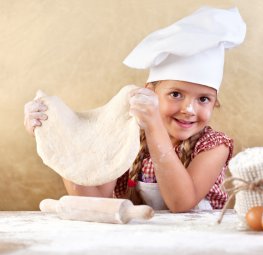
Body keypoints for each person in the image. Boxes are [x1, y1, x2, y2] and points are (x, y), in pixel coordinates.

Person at [24, 6, 246, 212]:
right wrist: (58, 135)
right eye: (176, 94)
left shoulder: (214, 146)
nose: (189, 109)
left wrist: (154, 127)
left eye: (204, 99)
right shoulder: (126, 136)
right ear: (149, 92)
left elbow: (181, 203)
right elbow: (92, 201)